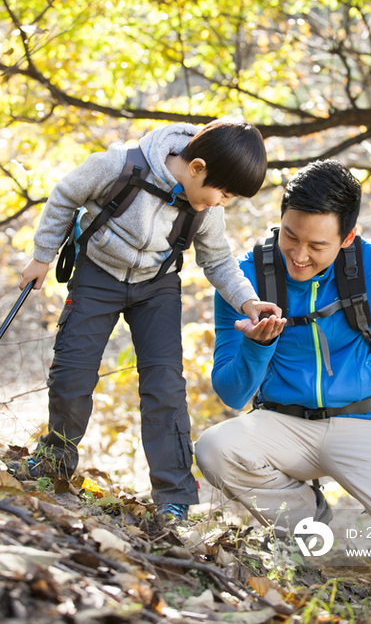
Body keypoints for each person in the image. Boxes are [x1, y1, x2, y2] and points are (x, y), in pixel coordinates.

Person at [195, 159, 371, 602]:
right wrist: (258, 346)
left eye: (317, 245)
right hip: (283, 425)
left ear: (347, 238)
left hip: (366, 424)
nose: (299, 256)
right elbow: (232, 393)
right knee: (216, 447)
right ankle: (308, 521)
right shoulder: (244, 277)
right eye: (290, 236)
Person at [13, 117, 281, 521]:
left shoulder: (205, 208)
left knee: (165, 387)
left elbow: (218, 260)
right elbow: (66, 194)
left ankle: (174, 498)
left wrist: (248, 302)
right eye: (221, 193)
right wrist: (42, 256)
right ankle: (53, 461)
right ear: (196, 169)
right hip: (97, 275)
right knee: (73, 370)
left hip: (156, 289)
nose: (220, 203)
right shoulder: (119, 166)